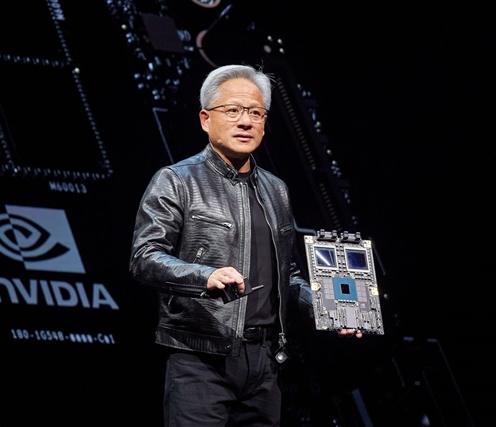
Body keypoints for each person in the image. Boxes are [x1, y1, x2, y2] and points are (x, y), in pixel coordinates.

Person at [129, 64, 361, 427]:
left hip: (265, 362)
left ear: (265, 123)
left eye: (255, 113)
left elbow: (287, 275)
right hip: (201, 357)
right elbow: (144, 258)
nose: (245, 121)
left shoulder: (276, 189)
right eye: (233, 110)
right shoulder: (176, 181)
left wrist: (328, 309)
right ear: (206, 119)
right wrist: (204, 276)